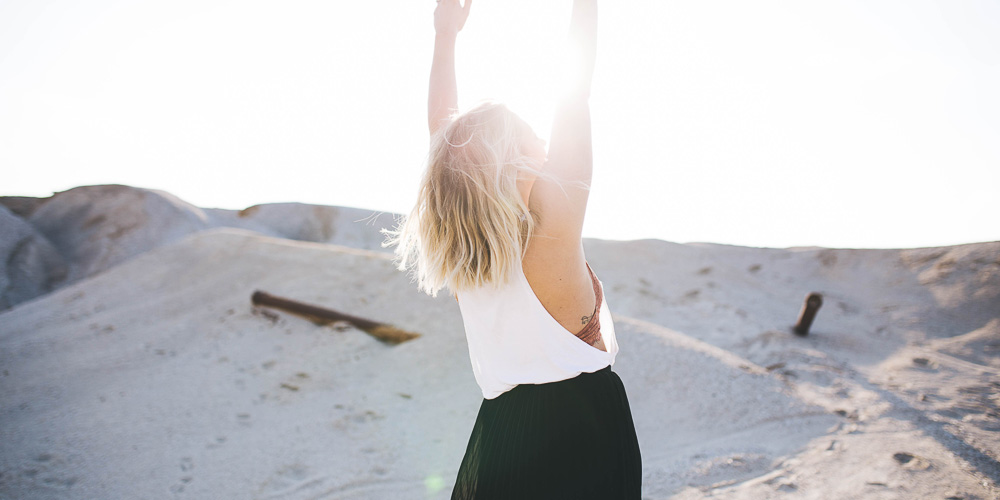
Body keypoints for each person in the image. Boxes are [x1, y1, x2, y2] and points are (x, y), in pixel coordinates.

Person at [383, 0, 641, 498]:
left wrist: (445, 35)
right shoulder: (552, 214)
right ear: (512, 156)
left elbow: (443, 132)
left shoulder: (464, 251)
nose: (546, 146)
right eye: (534, 138)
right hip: (585, 431)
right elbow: (576, 94)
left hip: (500, 433)